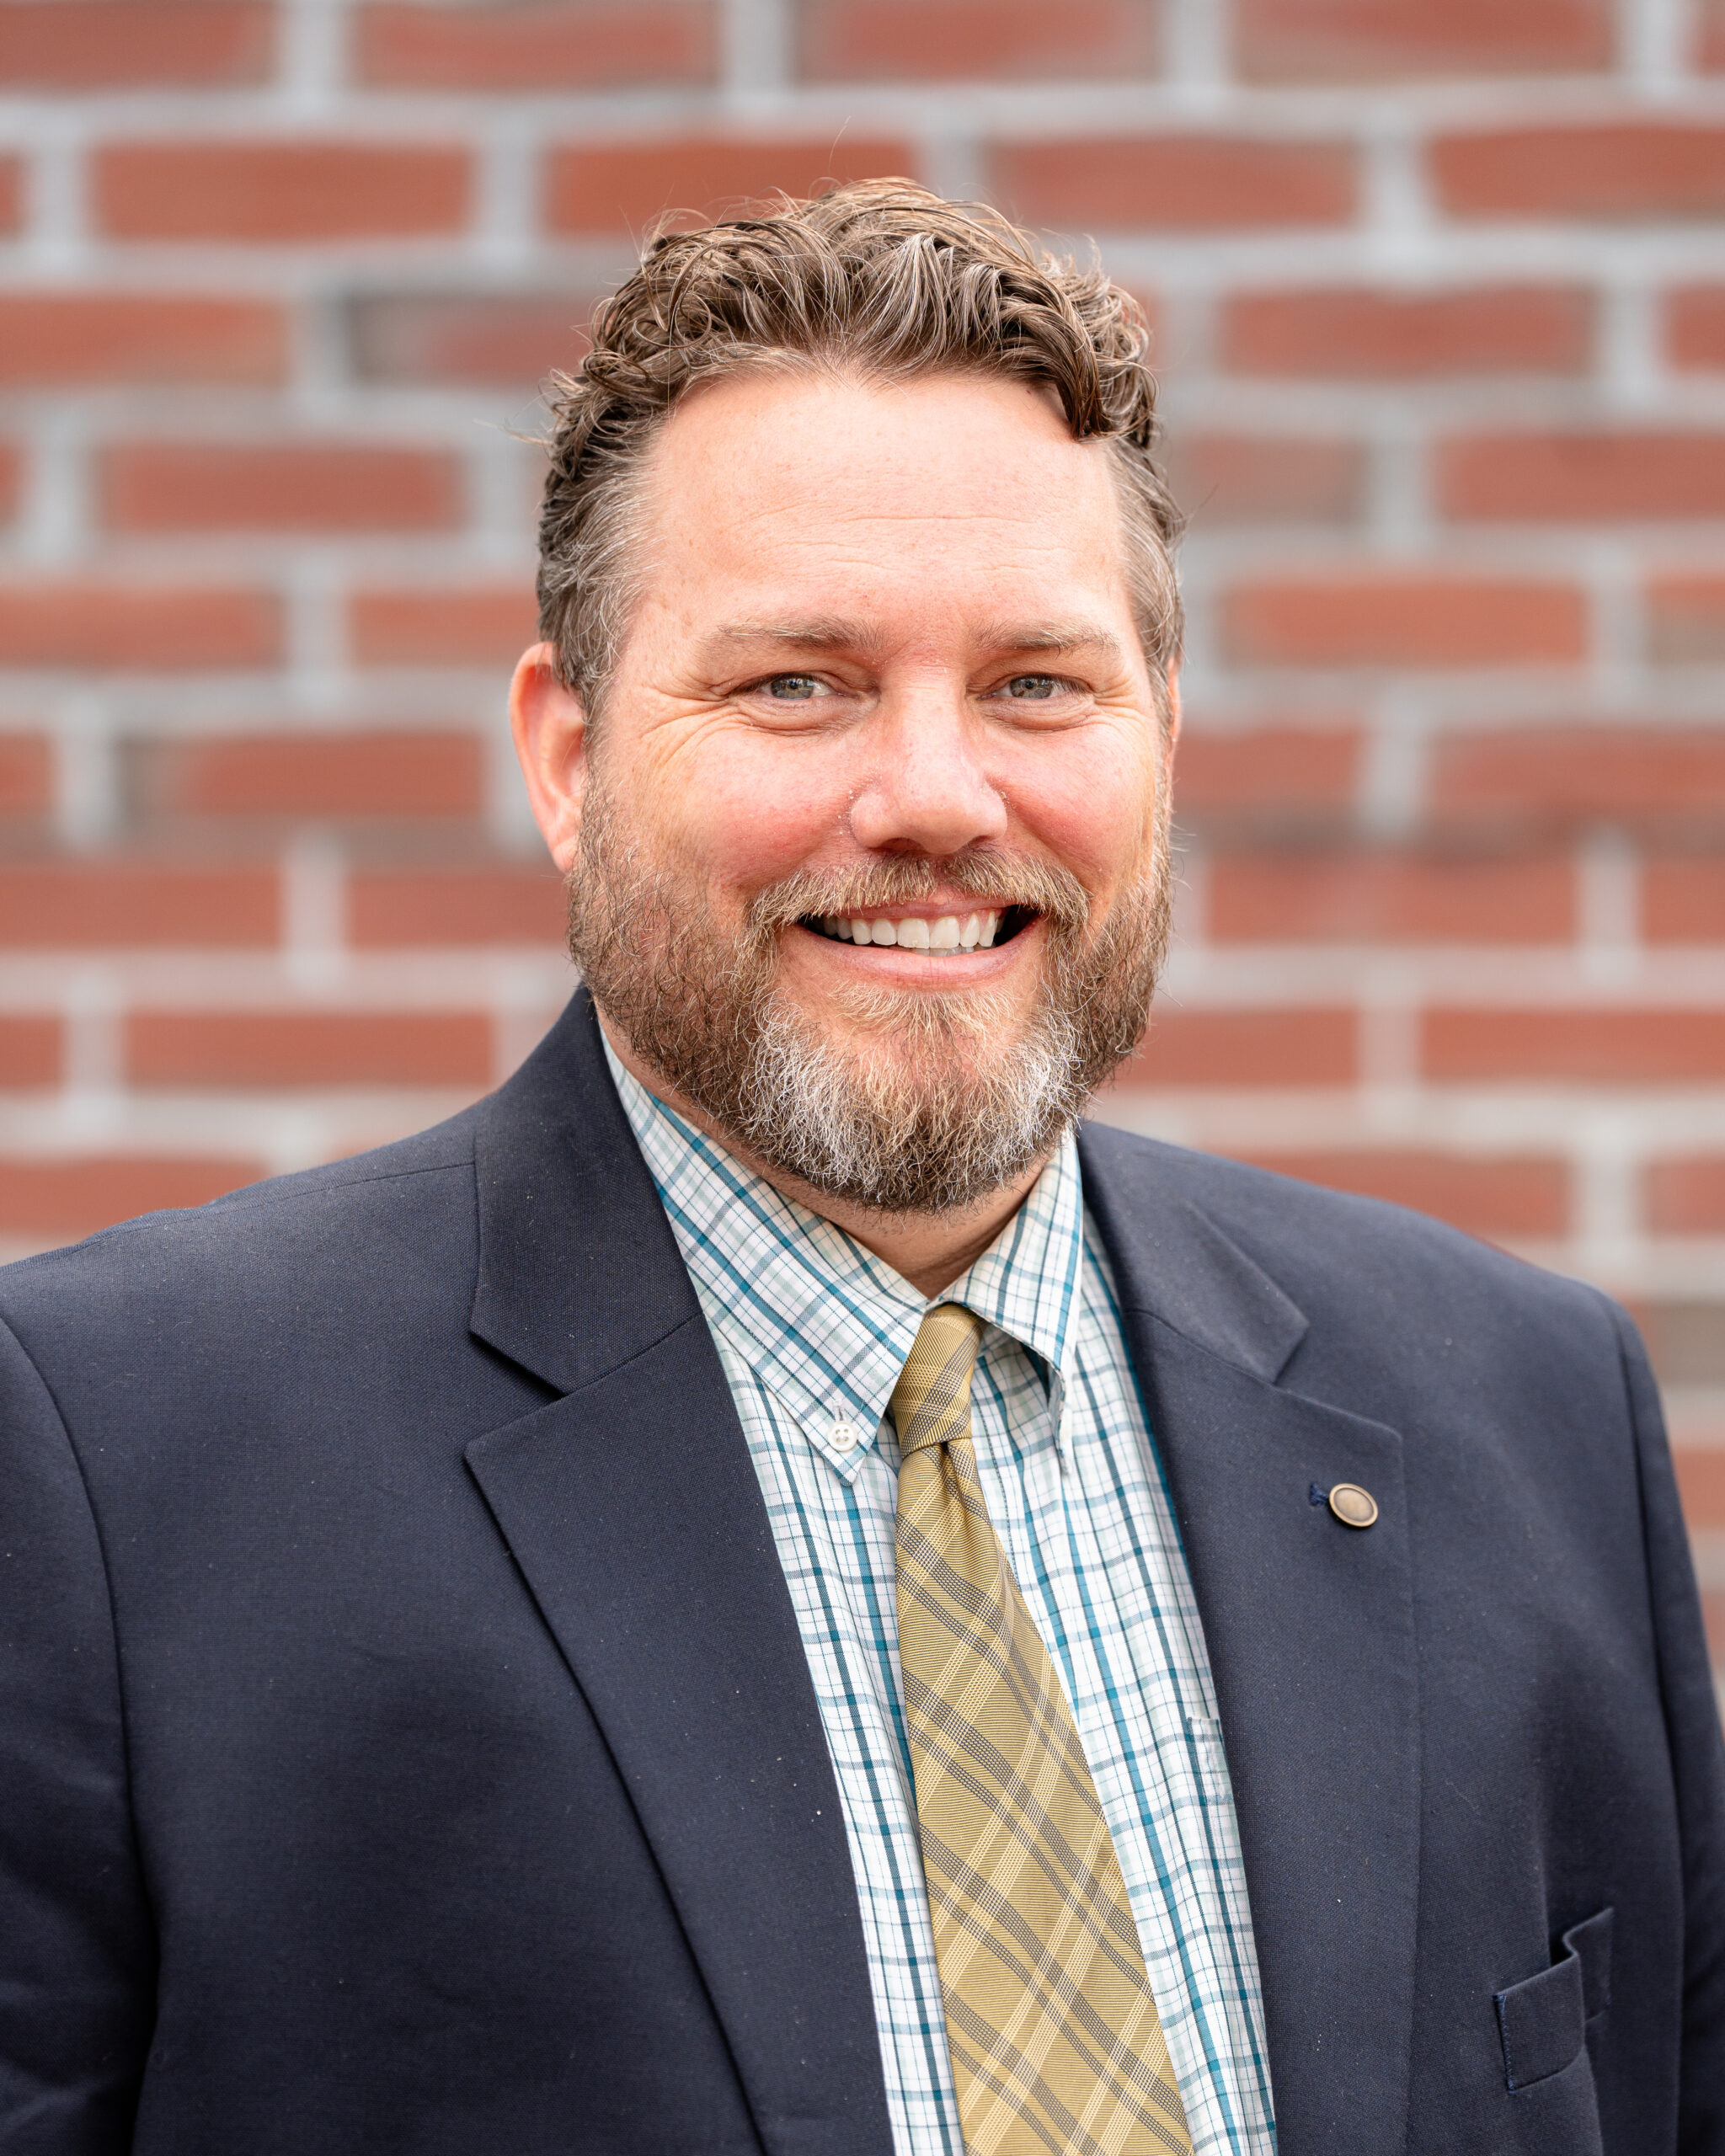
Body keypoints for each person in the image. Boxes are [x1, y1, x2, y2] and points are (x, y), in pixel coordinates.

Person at [0, 182, 1719, 2156]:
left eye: (1037, 683)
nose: (930, 794)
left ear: (1163, 732)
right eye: (795, 683)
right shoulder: (113, 1470)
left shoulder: (1524, 1412)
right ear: (566, 758)